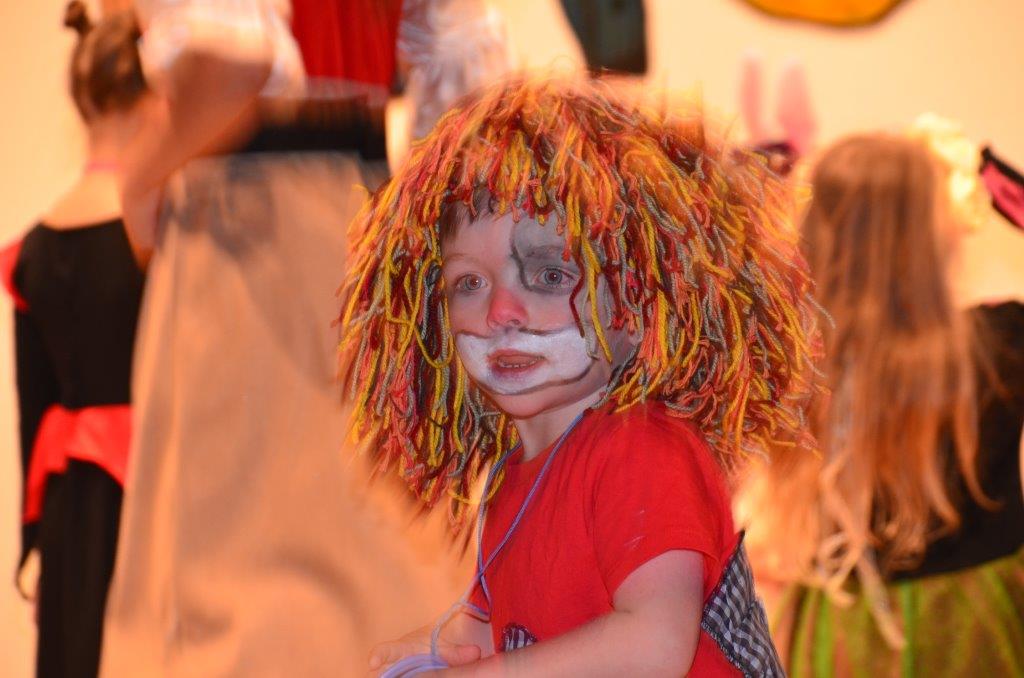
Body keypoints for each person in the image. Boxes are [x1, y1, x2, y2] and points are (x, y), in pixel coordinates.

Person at [336, 75, 822, 676]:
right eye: (470, 282)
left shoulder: (642, 451)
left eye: (549, 276)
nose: (501, 312)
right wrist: (429, 651)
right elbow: (497, 628)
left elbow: (655, 645)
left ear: (637, 304)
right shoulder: (513, 480)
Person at [738, 134, 1024, 675]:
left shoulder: (792, 360)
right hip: (971, 625)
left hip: (843, 631)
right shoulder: (1001, 346)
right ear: (937, 236)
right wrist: (1002, 184)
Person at [0, 4, 148, 676]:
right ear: (148, 100)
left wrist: (33, 541)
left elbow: (31, 408)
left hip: (68, 509)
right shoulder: (153, 237)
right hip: (147, 491)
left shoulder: (33, 249)